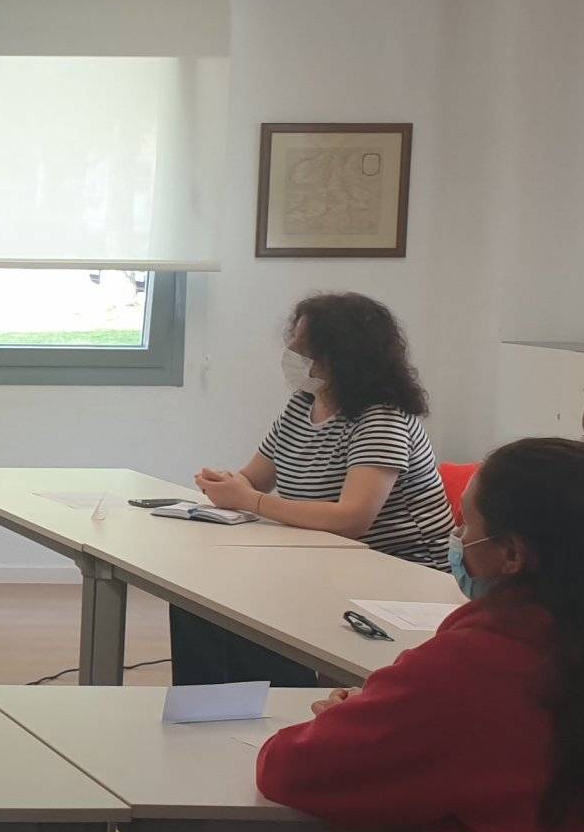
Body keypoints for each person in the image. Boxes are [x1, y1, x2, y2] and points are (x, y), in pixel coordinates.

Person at [261, 437, 584, 832]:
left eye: (466, 523)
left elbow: (294, 770)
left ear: (512, 555)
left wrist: (363, 716)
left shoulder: (483, 663)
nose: (455, 535)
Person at [184, 292, 454, 686]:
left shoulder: (382, 418)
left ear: (341, 355)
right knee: (200, 601)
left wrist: (251, 501)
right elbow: (254, 477)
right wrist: (228, 485)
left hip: (397, 574)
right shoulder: (302, 404)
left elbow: (352, 520)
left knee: (253, 607)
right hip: (323, 560)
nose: (291, 352)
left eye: (303, 346)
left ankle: (283, 707)